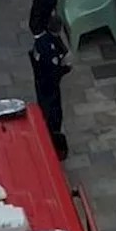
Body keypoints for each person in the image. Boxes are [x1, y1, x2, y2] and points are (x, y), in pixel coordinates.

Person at [29, 12, 71, 158]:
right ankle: (53, 140)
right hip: (49, 85)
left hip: (40, 83)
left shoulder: (41, 41)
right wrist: (65, 69)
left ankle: (48, 134)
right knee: (54, 113)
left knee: (44, 109)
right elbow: (54, 71)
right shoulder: (50, 48)